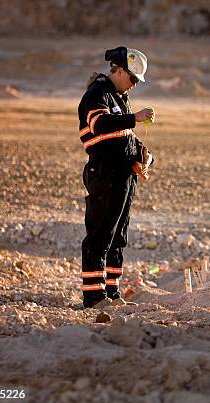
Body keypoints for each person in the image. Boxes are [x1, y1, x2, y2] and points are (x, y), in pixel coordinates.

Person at [78, 46, 155, 308]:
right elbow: (99, 126)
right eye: (132, 78)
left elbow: (124, 139)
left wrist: (145, 158)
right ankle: (94, 297)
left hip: (123, 176)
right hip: (104, 174)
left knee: (118, 236)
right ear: (119, 70)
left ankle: (111, 292)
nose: (134, 85)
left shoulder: (119, 97)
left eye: (137, 81)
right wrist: (135, 118)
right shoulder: (97, 94)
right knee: (100, 234)